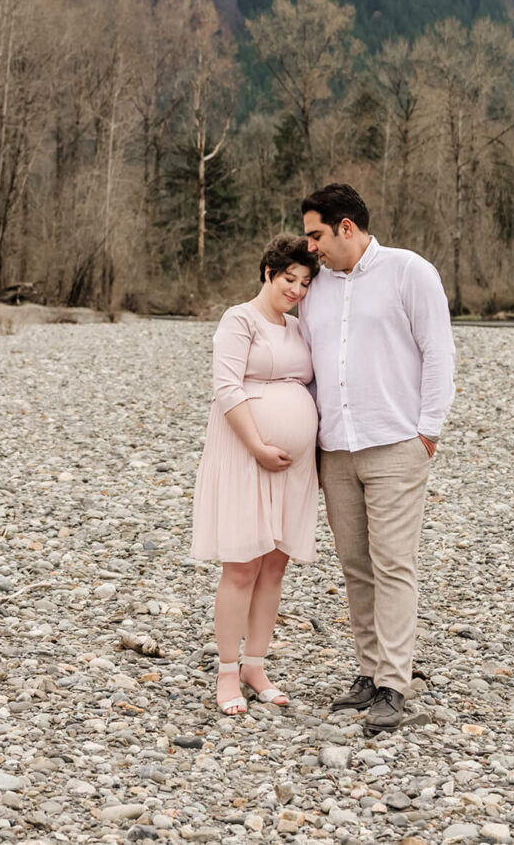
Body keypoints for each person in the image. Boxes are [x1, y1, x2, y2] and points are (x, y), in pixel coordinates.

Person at [298, 183, 455, 733]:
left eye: (316, 234)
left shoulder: (410, 272)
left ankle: (393, 683)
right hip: (336, 450)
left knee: (393, 564)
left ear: (346, 227)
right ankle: (368, 672)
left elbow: (439, 351)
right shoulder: (315, 288)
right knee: (355, 565)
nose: (310, 247)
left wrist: (427, 433)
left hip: (395, 445)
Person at [190, 235, 321, 715]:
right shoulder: (239, 320)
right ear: (268, 271)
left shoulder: (299, 328)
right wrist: (258, 447)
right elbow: (226, 388)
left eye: (304, 283)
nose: (296, 290)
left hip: (293, 467)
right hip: (246, 455)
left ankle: (255, 665)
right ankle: (227, 671)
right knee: (242, 565)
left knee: (274, 566)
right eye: (289, 279)